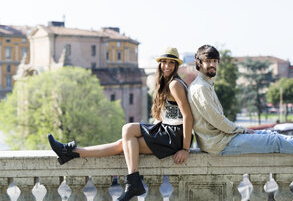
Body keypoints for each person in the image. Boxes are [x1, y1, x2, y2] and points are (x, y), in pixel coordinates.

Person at [48, 47, 193, 201]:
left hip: (173, 136)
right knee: (125, 139)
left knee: (125, 137)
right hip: (166, 130)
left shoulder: (174, 85)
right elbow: (170, 114)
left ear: (176, 65)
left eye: (171, 62)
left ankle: (132, 181)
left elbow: (187, 115)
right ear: (159, 64)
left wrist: (185, 149)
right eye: (164, 62)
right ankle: (71, 152)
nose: (167, 66)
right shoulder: (167, 83)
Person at [188, 44, 293, 156]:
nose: (212, 65)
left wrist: (241, 130)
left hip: (221, 140)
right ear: (199, 63)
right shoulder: (200, 87)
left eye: (215, 61)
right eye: (208, 61)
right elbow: (217, 120)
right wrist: (241, 130)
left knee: (271, 134)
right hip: (219, 143)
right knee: (274, 140)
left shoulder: (205, 84)